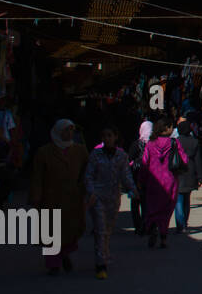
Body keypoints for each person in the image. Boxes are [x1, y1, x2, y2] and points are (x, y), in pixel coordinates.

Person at [28, 119, 89, 275]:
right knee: (51, 232)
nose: (69, 134)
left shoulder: (80, 151)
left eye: (71, 131)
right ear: (57, 132)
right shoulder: (44, 152)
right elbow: (37, 177)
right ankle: (53, 264)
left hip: (72, 198)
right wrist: (36, 198)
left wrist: (86, 190)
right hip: (51, 198)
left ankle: (63, 254)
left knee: (71, 230)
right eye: (66, 131)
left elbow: (87, 173)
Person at [84, 126, 137, 279]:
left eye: (110, 135)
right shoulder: (95, 154)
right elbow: (88, 175)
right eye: (104, 135)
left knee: (107, 228)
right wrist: (91, 192)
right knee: (100, 229)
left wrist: (132, 189)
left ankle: (104, 252)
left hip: (113, 197)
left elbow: (126, 175)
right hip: (98, 197)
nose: (107, 138)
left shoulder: (121, 156)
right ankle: (100, 264)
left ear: (115, 137)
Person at [140, 118, 188, 248]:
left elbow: (145, 162)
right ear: (165, 129)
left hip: (153, 181)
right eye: (171, 127)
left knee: (152, 207)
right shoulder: (174, 142)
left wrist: (142, 180)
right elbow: (184, 159)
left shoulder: (150, 143)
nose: (172, 129)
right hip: (170, 181)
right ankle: (163, 237)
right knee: (166, 210)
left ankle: (152, 226)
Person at [172, 120, 202, 234]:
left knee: (178, 200)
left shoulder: (175, 142)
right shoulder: (194, 142)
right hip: (190, 171)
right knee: (186, 200)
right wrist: (200, 177)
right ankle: (185, 222)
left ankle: (180, 225)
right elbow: (198, 161)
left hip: (178, 171)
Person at [127, 119, 153, 234]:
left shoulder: (136, 144)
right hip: (150, 178)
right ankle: (145, 224)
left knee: (135, 203)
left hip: (135, 177)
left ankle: (138, 226)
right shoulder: (154, 144)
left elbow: (129, 159)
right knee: (146, 203)